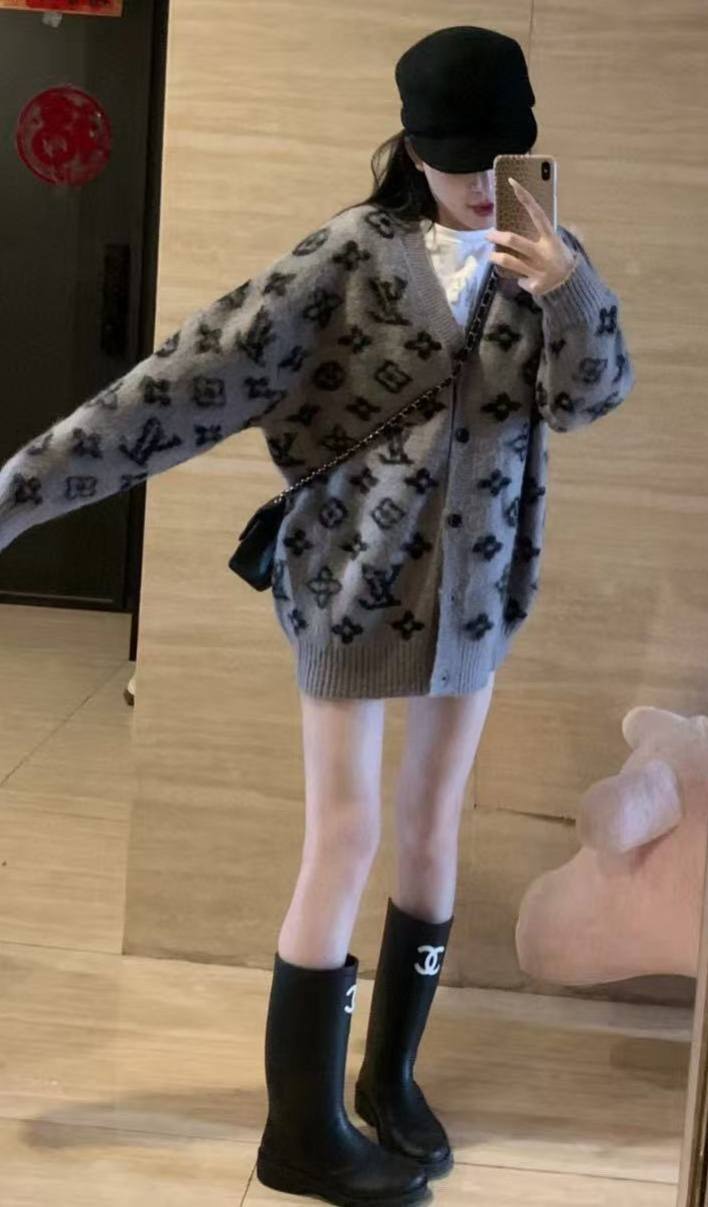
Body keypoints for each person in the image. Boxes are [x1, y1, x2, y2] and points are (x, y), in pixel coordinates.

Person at [0, 25, 635, 1207]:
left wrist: (569, 287)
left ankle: (390, 1080)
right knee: (344, 832)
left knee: (433, 826)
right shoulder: (350, 255)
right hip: (352, 584)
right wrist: (20, 493)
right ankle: (301, 1131)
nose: (477, 180)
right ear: (411, 145)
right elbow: (192, 376)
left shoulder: (546, 258)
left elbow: (590, 397)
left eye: (495, 155)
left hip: (478, 593)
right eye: (453, 157)